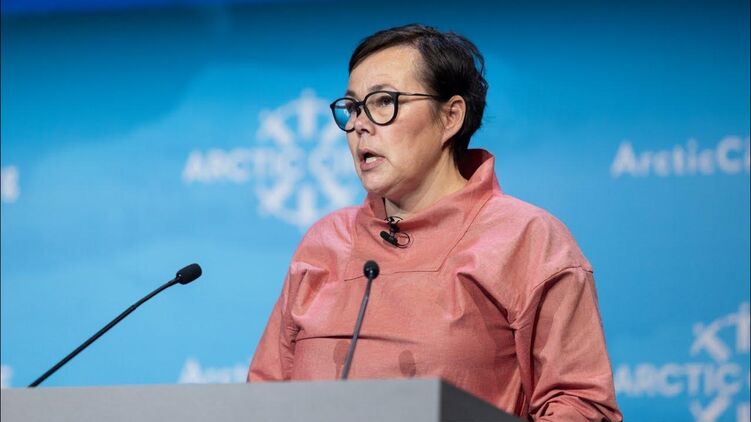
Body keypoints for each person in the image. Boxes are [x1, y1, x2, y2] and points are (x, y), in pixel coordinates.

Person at [247, 24, 622, 421]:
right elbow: (264, 396)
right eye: (353, 107)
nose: (359, 125)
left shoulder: (527, 238)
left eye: (383, 102)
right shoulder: (325, 241)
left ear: (450, 116)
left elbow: (581, 405)